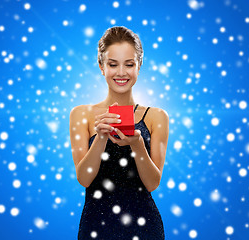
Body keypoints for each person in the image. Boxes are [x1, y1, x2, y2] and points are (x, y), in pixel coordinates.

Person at [69, 26, 169, 240]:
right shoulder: (82, 114)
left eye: (129, 64)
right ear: (101, 66)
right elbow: (84, 179)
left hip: (145, 227)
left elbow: (152, 183)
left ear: (139, 66)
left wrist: (137, 145)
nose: (121, 72)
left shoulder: (156, 116)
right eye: (113, 64)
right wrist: (101, 137)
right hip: (96, 226)